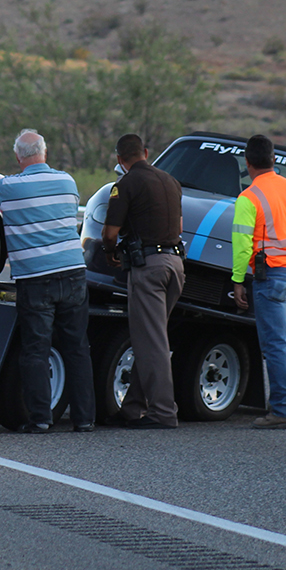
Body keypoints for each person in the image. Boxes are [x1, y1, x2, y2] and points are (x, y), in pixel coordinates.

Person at [0, 129, 94, 433]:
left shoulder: (9, 186)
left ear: (17, 157)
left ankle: (41, 418)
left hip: (35, 277)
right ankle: (84, 419)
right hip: (73, 272)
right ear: (45, 153)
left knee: (35, 350)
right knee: (77, 347)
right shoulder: (67, 181)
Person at [231, 134, 286, 430]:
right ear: (274, 159)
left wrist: (238, 280)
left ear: (247, 162)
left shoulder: (249, 197)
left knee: (275, 345)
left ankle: (282, 411)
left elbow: (242, 246)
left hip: (271, 280)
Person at [100, 133, 184, 429]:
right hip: (176, 266)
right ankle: (132, 407)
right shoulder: (171, 182)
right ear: (146, 153)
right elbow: (180, 226)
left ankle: (163, 412)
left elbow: (110, 233)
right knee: (151, 338)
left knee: (151, 343)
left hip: (148, 268)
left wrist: (110, 254)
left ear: (120, 160)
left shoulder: (126, 184)